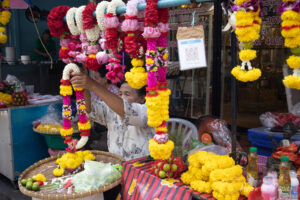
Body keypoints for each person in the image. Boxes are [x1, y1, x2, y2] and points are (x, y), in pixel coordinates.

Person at [71, 67, 154, 161]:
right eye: (120, 94)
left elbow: (126, 109)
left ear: (143, 98)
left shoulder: (147, 111)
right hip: (116, 166)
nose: (122, 98)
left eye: (127, 94)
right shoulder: (112, 110)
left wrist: (93, 85)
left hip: (141, 169)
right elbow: (90, 109)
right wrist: (84, 87)